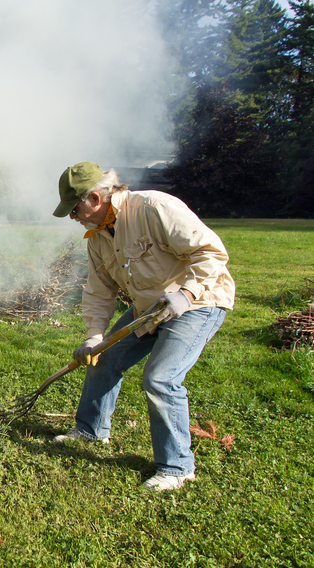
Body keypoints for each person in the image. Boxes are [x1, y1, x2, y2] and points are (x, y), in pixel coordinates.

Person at [50, 162, 235, 491]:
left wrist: (187, 293)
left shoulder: (153, 208)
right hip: (150, 308)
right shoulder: (98, 238)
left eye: (74, 209)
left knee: (161, 378)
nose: (72, 217)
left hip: (199, 302)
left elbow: (210, 252)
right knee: (104, 357)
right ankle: (91, 430)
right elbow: (98, 290)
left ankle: (177, 467)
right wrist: (94, 336)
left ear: (95, 198)